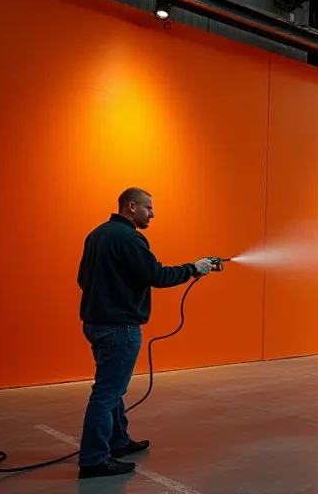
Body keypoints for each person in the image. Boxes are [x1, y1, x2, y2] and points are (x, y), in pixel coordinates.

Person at [75, 187, 212, 479]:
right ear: (131, 206)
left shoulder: (97, 234)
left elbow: (81, 279)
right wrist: (194, 268)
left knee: (111, 388)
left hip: (95, 325)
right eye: (149, 208)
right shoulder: (131, 238)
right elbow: (157, 276)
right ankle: (93, 460)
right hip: (120, 327)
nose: (153, 214)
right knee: (107, 392)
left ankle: (118, 442)